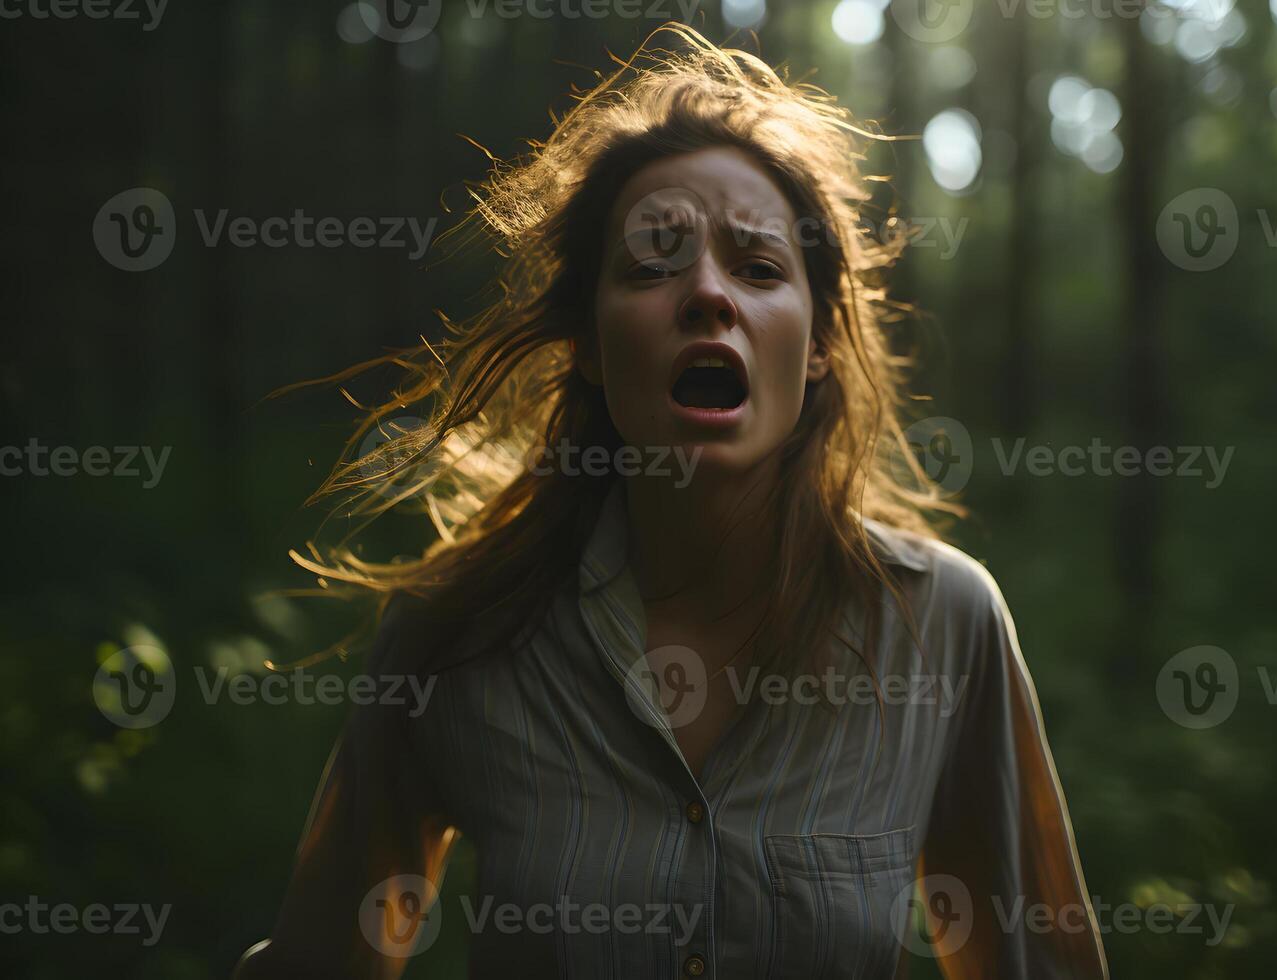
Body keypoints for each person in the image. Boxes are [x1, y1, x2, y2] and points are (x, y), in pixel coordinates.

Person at [234, 24, 1108, 980]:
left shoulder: (942, 626)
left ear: (815, 346)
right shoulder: (453, 637)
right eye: (652, 266)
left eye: (760, 267)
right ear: (590, 349)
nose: (706, 293)